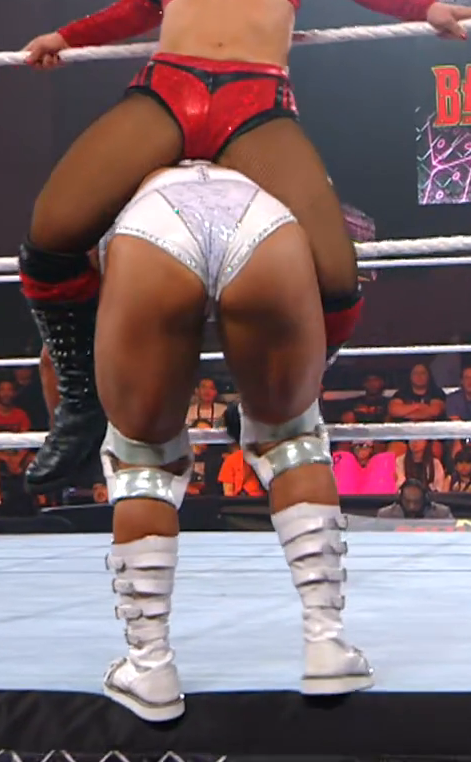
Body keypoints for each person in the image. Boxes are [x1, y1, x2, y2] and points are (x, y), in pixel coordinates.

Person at [16, 0, 471, 489]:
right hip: (168, 91)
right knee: (49, 233)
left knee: (338, 277)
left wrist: (427, 8)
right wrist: (68, 35)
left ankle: (271, 401)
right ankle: (83, 402)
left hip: (255, 104)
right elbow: (141, 7)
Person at [83, 161, 371, 722]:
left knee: (142, 455)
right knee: (293, 436)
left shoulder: (131, 152)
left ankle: (150, 669)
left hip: (151, 220)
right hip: (263, 215)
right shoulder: (262, 142)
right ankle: (327, 645)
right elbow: (335, 272)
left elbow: (65, 268)